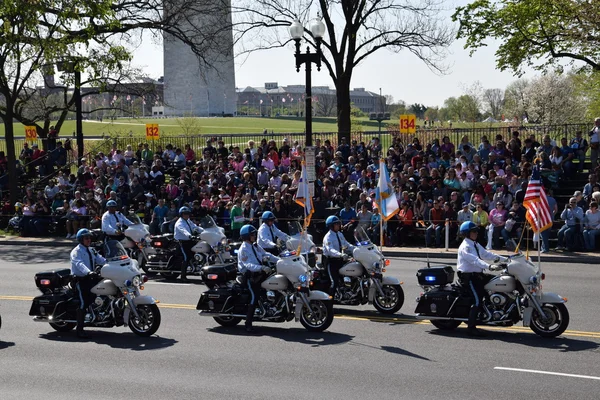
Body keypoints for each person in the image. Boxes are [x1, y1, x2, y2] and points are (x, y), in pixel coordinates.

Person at [457, 221, 508, 337]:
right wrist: (489, 266)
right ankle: (471, 327)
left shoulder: (475, 244)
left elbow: (486, 254)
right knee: (477, 300)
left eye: (476, 231)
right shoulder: (466, 247)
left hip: (477, 275)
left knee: (499, 281)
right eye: (473, 231)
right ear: (467, 233)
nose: (476, 233)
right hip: (468, 277)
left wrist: (505, 259)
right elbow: (475, 260)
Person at [237, 224, 280, 333]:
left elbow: (266, 254)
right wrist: (262, 267)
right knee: (254, 296)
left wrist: (280, 260)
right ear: (247, 236)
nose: (255, 236)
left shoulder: (255, 245)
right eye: (252, 234)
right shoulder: (244, 249)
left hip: (258, 273)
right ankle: (248, 323)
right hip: (249, 276)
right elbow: (248, 265)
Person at [70, 228, 106, 339]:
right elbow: (79, 264)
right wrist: (89, 272)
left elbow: (101, 260)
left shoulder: (91, 250)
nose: (89, 239)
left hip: (92, 277)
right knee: (83, 302)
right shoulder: (76, 252)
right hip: (81, 280)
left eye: (89, 237)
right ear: (81, 239)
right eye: (86, 238)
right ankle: (79, 329)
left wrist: (113, 263)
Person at [322, 216, 356, 298]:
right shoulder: (328, 237)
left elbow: (346, 245)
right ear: (331, 226)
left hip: (340, 259)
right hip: (331, 262)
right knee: (334, 282)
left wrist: (357, 249)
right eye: (336, 224)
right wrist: (340, 254)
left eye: (338, 223)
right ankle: (329, 302)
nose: (339, 225)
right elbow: (330, 250)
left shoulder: (340, 234)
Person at [174, 206, 203, 282]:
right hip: (182, 242)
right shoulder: (179, 223)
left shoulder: (188, 221)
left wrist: (205, 231)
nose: (187, 215)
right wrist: (190, 236)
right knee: (186, 257)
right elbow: (183, 231)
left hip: (190, 241)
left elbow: (195, 227)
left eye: (188, 214)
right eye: (185, 214)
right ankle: (183, 276)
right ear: (181, 214)